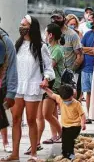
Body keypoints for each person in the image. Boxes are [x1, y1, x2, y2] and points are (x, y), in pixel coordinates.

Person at [1, 15, 55, 162]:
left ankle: (33, 154)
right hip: (17, 86)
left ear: (31, 27)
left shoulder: (41, 47)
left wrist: (46, 79)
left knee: (31, 120)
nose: (21, 27)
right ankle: (14, 154)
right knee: (16, 119)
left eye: (24, 25)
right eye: (21, 24)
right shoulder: (16, 45)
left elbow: (49, 69)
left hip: (33, 86)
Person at [24, 24, 64, 154]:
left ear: (51, 35)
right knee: (40, 116)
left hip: (53, 86)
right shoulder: (48, 47)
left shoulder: (57, 50)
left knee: (47, 115)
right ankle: (36, 143)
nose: (45, 35)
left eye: (46, 33)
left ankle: (63, 134)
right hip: (43, 86)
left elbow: (48, 67)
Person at [42, 85, 86, 161]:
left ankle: (70, 154)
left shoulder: (77, 104)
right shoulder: (60, 99)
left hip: (75, 126)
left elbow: (82, 114)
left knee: (69, 140)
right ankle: (65, 154)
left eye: (69, 99)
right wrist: (46, 89)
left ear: (72, 95)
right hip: (65, 126)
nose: (67, 102)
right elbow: (52, 94)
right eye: (65, 100)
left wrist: (83, 123)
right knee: (65, 141)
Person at [51, 10, 83, 99]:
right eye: (53, 18)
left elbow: (79, 56)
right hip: (52, 75)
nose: (55, 20)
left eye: (58, 18)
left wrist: (70, 71)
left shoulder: (72, 35)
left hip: (66, 75)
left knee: (68, 102)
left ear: (64, 19)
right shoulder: (49, 32)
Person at [0, 27, 18, 153]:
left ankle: (5, 142)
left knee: (1, 115)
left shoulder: (5, 42)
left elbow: (11, 67)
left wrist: (11, 92)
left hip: (1, 85)